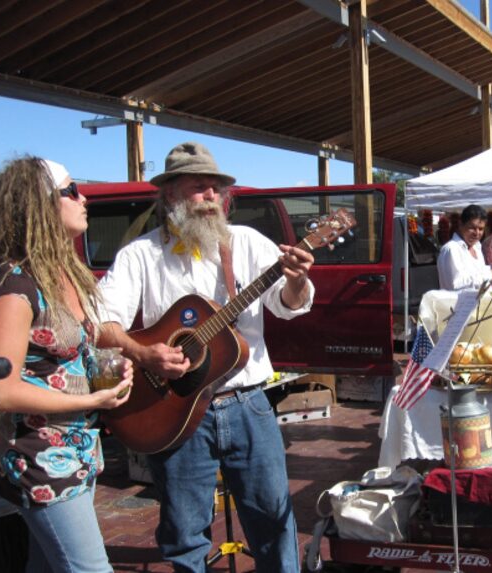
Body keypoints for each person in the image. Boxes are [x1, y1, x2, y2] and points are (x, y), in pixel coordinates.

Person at [97, 142, 314, 572]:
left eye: (216, 189)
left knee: (273, 519)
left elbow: (287, 304)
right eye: (199, 188)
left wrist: (296, 280)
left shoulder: (248, 243)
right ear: (171, 195)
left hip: (247, 404)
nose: (212, 197)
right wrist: (146, 353)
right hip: (176, 410)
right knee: (183, 530)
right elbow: (102, 323)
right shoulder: (142, 253)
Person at [0, 157, 133, 573]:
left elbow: (78, 347)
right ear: (41, 206)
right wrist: (95, 396)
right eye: (71, 190)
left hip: (77, 449)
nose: (83, 198)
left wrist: (114, 369)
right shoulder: (15, 284)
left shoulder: (62, 272)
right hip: (40, 459)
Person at [437, 204, 492, 290]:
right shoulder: (452, 249)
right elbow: (456, 284)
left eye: (481, 229)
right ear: (461, 225)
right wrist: (488, 275)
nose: (477, 233)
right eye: (472, 228)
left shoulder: (477, 247)